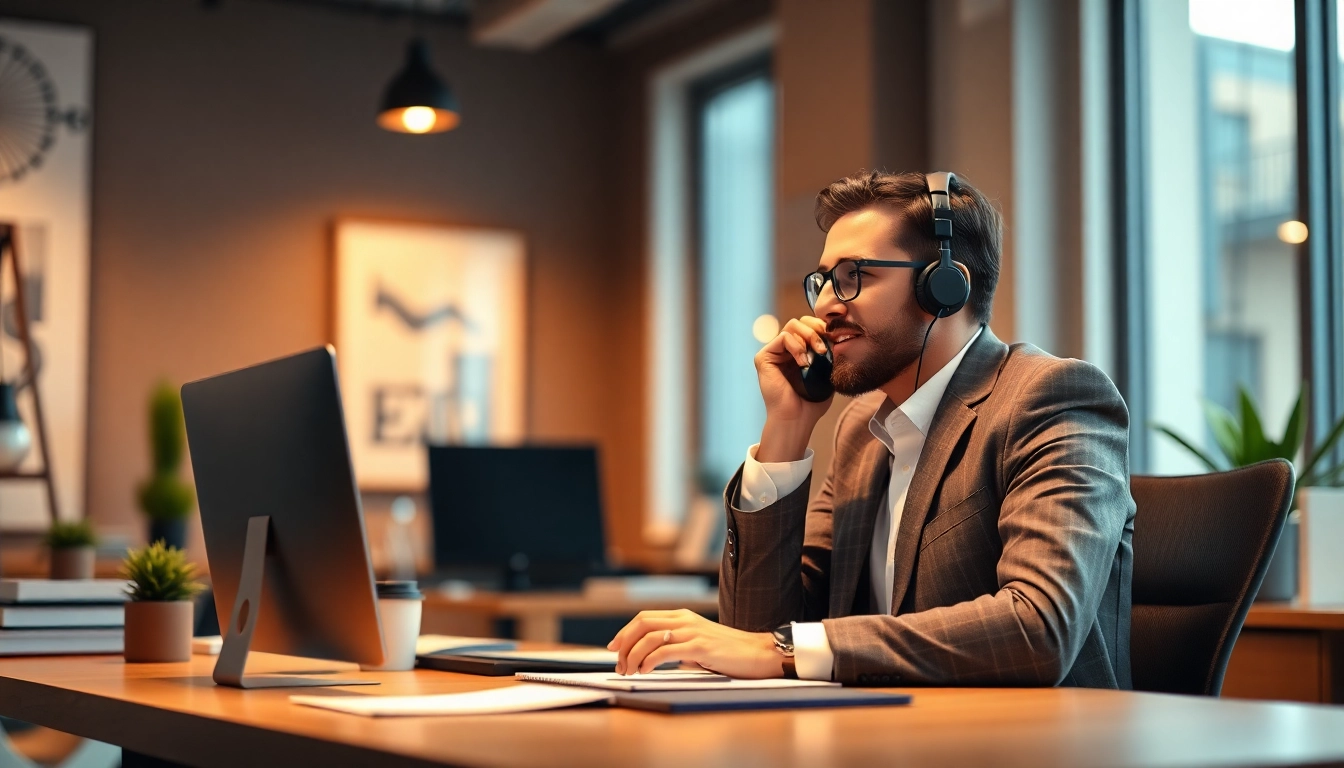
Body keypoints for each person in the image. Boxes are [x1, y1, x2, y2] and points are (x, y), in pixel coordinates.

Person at [607, 170, 1135, 687]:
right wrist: (787, 428)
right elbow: (754, 633)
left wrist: (787, 647)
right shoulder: (862, 428)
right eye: (824, 282)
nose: (824, 306)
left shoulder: (1052, 397)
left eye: (854, 276)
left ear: (943, 287)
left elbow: (1038, 627)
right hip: (887, 736)